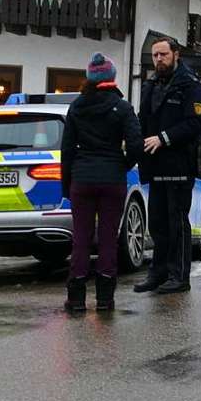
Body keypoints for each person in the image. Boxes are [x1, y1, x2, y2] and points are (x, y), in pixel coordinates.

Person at [60, 53, 143, 312]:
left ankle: (76, 299)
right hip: (112, 179)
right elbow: (136, 145)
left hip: (82, 180)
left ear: (90, 78)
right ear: (112, 77)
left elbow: (66, 150)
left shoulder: (77, 106)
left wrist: (68, 184)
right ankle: (105, 299)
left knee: (81, 239)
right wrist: (123, 164)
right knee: (108, 238)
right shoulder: (122, 107)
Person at [134, 37, 201, 295]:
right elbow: (143, 119)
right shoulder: (151, 84)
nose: (159, 59)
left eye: (163, 54)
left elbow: (194, 124)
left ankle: (179, 275)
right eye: (155, 55)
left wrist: (164, 138)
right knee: (157, 223)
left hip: (178, 163)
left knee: (177, 222)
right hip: (155, 165)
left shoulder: (190, 85)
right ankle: (158, 272)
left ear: (176, 55)